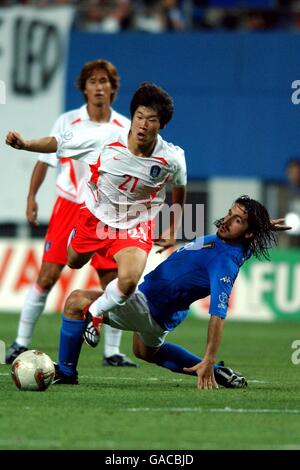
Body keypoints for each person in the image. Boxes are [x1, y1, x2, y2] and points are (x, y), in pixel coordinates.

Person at [6, 82, 187, 351]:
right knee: (74, 261)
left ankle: (95, 314)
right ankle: (75, 240)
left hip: (133, 226)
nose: (143, 125)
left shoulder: (172, 158)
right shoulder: (106, 139)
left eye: (151, 120)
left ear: (161, 125)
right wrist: (25, 144)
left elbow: (180, 188)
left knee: (128, 281)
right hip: (95, 218)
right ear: (132, 116)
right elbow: (58, 143)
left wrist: (174, 227)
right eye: (139, 117)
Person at [50, 195, 289, 388]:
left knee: (75, 301)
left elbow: (218, 313)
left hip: (148, 304)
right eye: (229, 213)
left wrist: (210, 356)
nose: (226, 220)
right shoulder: (232, 242)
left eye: (237, 220)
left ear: (248, 233)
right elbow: (247, 240)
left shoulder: (225, 261)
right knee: (143, 351)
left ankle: (67, 372)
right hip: (162, 313)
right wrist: (264, 227)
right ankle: (218, 373)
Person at [5, 59, 137, 368]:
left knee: (113, 281)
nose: (98, 87)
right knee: (47, 276)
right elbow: (46, 159)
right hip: (69, 206)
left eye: (104, 81)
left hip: (106, 211)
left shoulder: (124, 127)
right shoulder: (68, 122)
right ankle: (20, 342)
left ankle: (112, 352)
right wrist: (31, 197)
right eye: (92, 81)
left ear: (113, 89)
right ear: (84, 88)